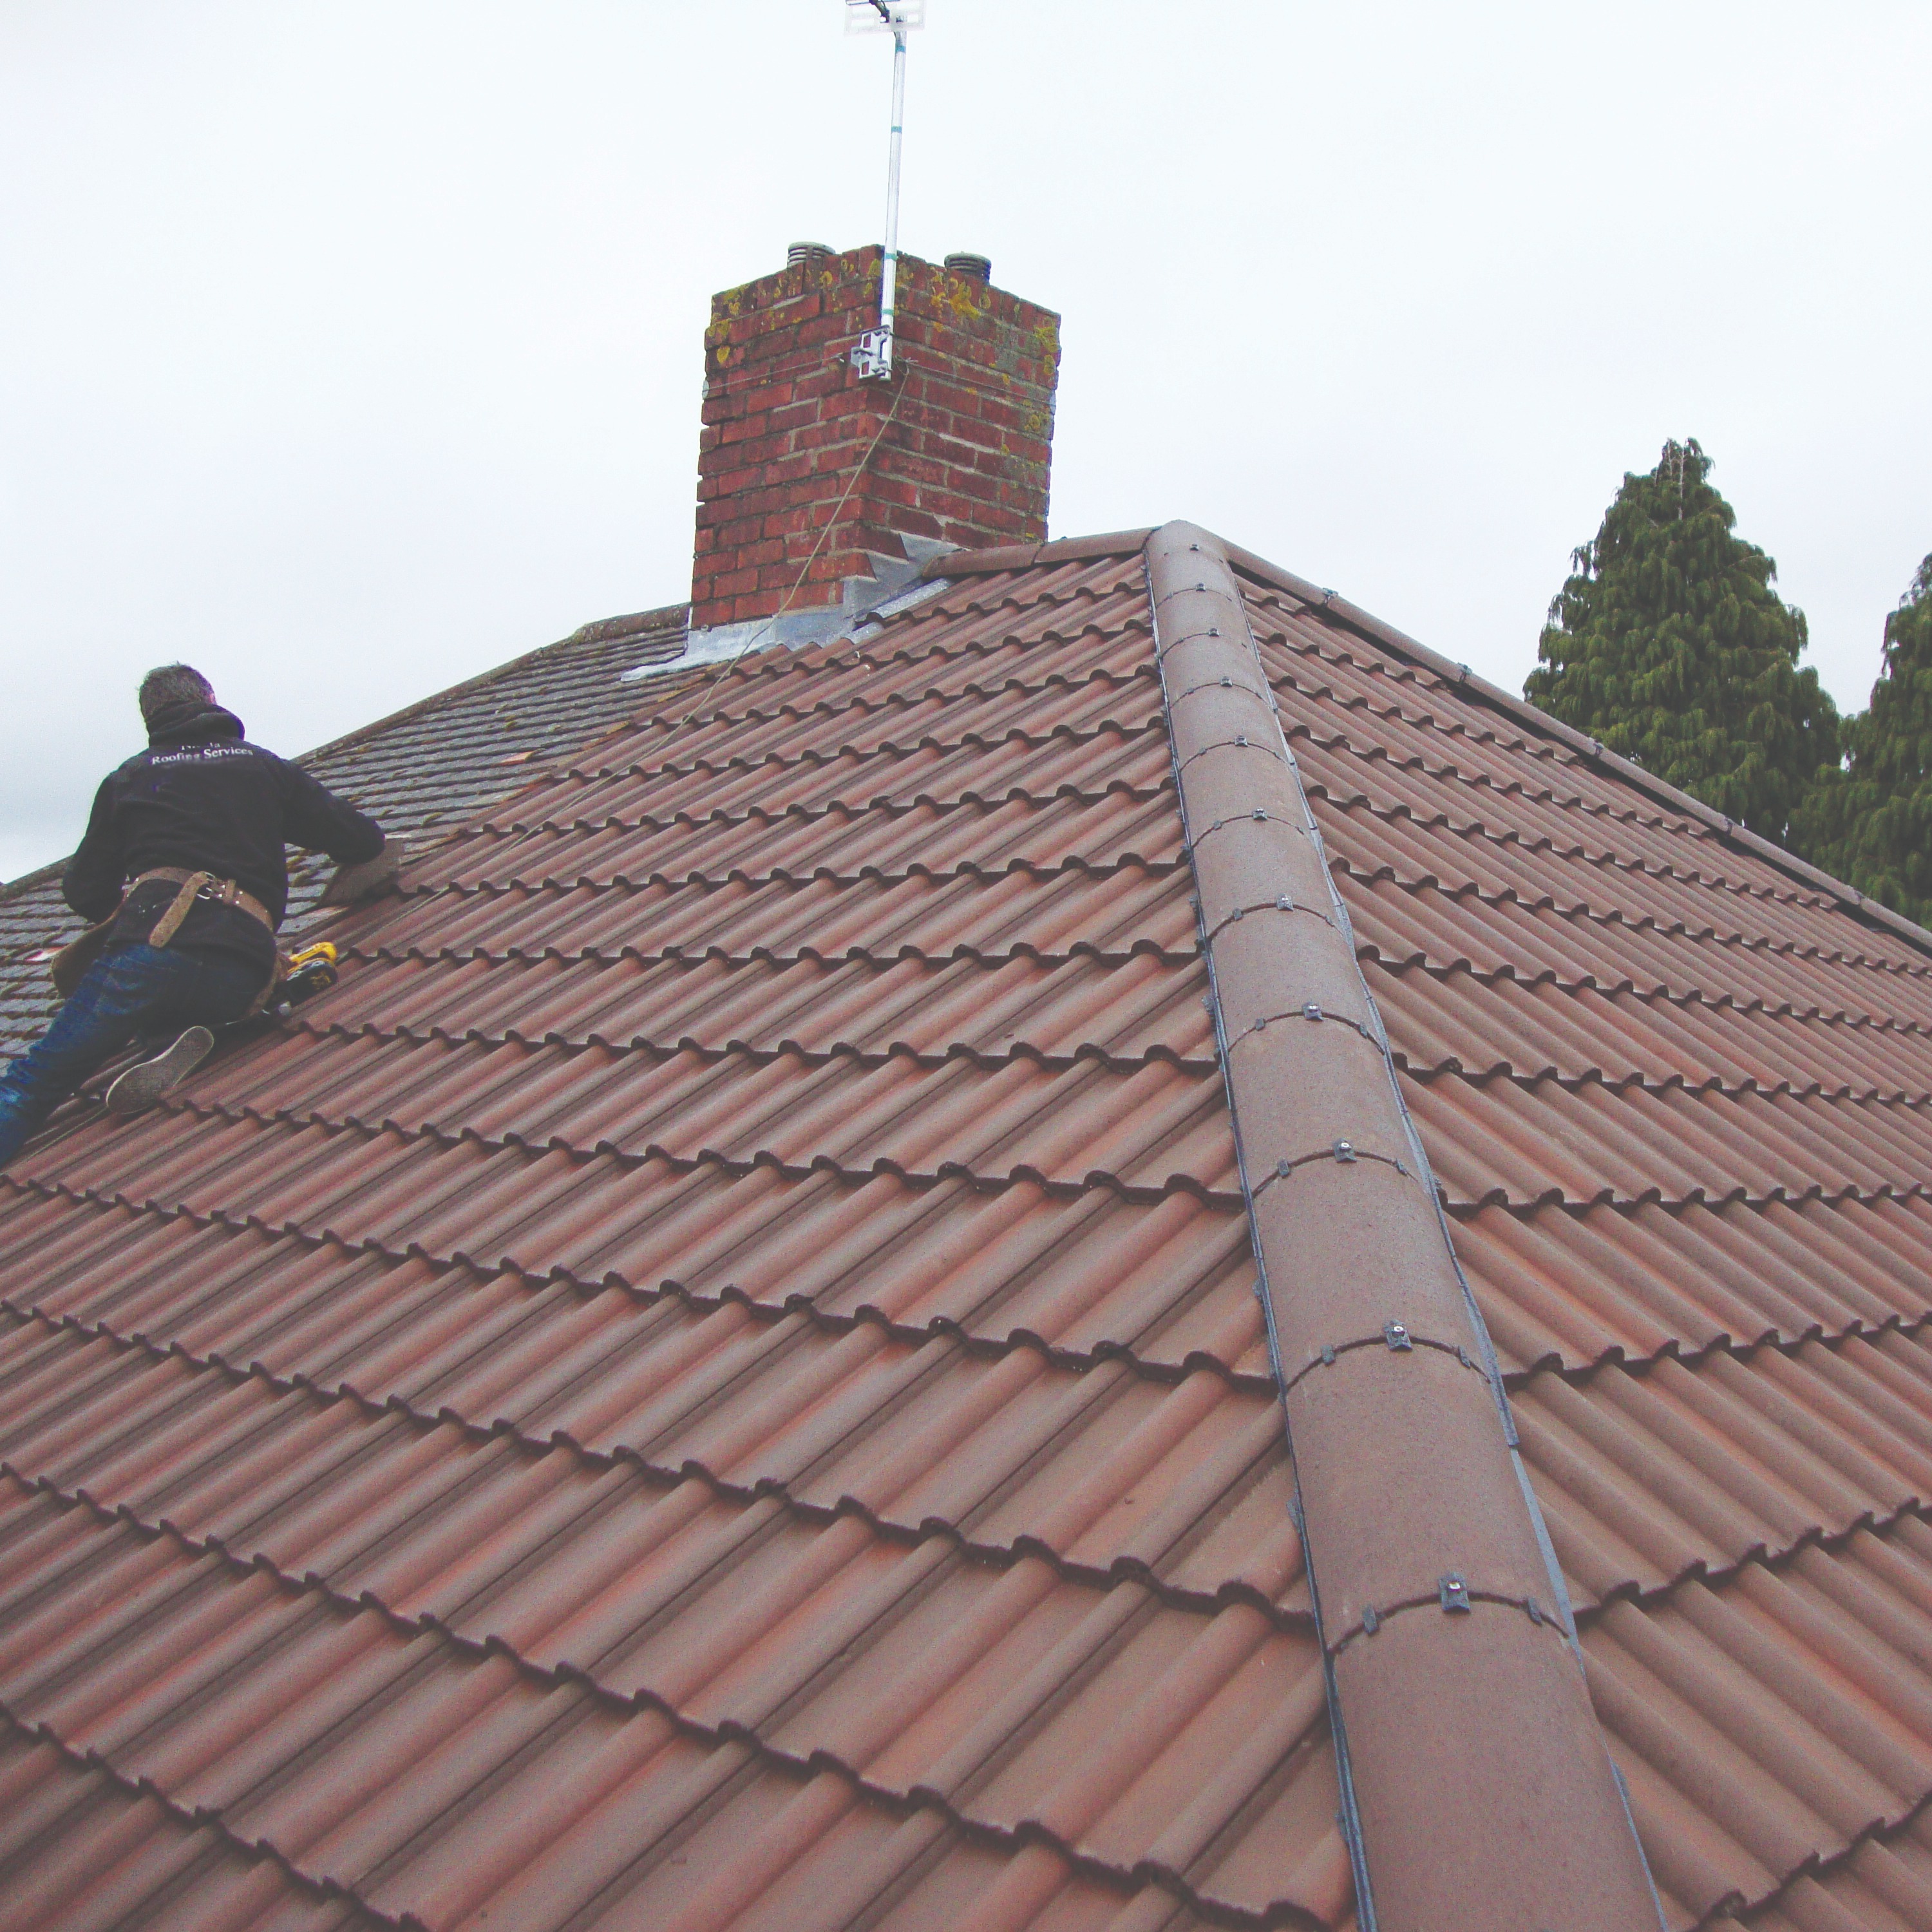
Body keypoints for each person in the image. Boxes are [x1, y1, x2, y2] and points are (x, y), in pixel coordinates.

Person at [0, 663, 392, 1166]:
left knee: (33, 1081)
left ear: (150, 720)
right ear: (209, 700)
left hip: (152, 956)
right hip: (244, 966)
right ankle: (201, 1027)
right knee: (204, 984)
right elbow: (361, 840)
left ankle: (162, 1034)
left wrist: (132, 911)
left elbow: (83, 890)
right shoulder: (262, 767)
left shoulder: (132, 777)